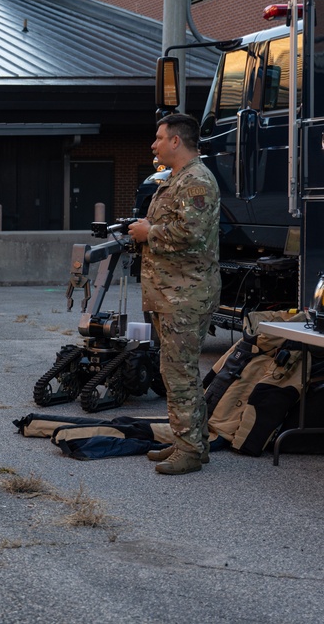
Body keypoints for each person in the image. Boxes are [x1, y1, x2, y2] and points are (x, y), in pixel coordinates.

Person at [128, 113, 220, 475]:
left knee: (180, 373)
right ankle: (187, 442)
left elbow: (190, 234)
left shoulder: (196, 181)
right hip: (172, 293)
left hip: (186, 295)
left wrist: (148, 231)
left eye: (159, 138)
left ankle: (190, 451)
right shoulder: (176, 180)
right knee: (175, 371)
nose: (154, 145)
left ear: (176, 141)